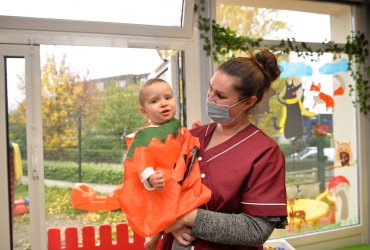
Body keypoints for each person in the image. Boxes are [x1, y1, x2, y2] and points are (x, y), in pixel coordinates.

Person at [161, 49, 288, 250]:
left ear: (248, 102)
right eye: (210, 89)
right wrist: (170, 225)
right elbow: (165, 186)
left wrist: (187, 217)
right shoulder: (192, 136)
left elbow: (256, 229)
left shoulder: (265, 153)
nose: (210, 99)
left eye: (220, 96)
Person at [116, 78, 212, 250]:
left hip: (178, 178)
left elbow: (183, 143)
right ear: (144, 112)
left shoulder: (176, 127)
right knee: (165, 207)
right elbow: (139, 160)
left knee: (183, 202)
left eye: (168, 97)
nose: (163, 104)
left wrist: (192, 130)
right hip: (160, 183)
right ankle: (158, 237)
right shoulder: (144, 136)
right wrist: (150, 177)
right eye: (154, 101)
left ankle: (156, 239)